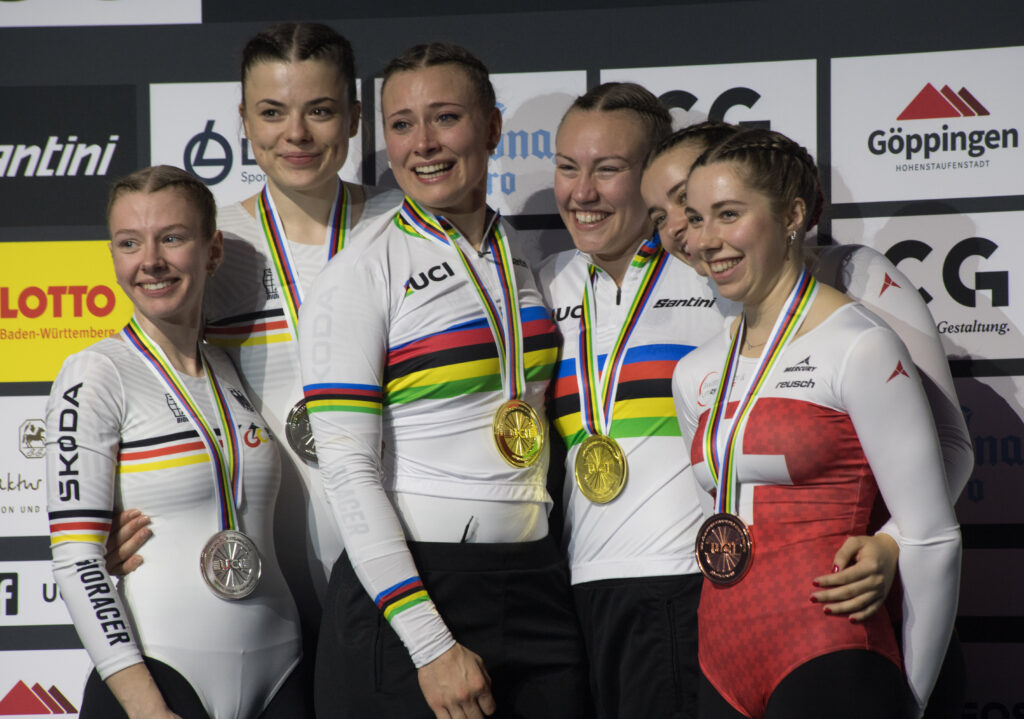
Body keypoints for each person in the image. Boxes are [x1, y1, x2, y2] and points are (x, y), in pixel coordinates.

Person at [298, 42, 588, 719]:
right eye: (402, 124)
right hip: (417, 598)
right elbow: (347, 470)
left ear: (492, 126)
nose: (423, 143)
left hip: (537, 582)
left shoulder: (520, 257)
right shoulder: (360, 271)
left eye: (446, 117)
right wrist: (429, 643)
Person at [108, 23, 402, 673]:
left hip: (400, 555)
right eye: (272, 112)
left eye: (319, 110)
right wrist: (106, 517)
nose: (296, 134)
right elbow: (138, 378)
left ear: (355, 118)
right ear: (243, 121)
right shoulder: (213, 245)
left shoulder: (402, 226)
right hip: (261, 582)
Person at [670, 128, 961, 718]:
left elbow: (932, 536)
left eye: (729, 214)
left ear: (792, 216)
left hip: (829, 650)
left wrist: (911, 699)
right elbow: (720, 513)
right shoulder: (694, 371)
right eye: (696, 219)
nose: (705, 240)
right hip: (720, 657)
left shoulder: (859, 344)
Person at [45, 166, 303, 719]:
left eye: (172, 237)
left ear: (212, 252)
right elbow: (77, 560)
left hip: (283, 674)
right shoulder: (96, 373)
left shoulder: (231, 368)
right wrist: (146, 708)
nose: (150, 261)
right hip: (161, 680)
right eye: (129, 243)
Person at [537, 83, 736, 719]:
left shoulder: (715, 274)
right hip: (578, 590)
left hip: (685, 578)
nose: (581, 192)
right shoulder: (544, 285)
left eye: (608, 169)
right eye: (567, 167)